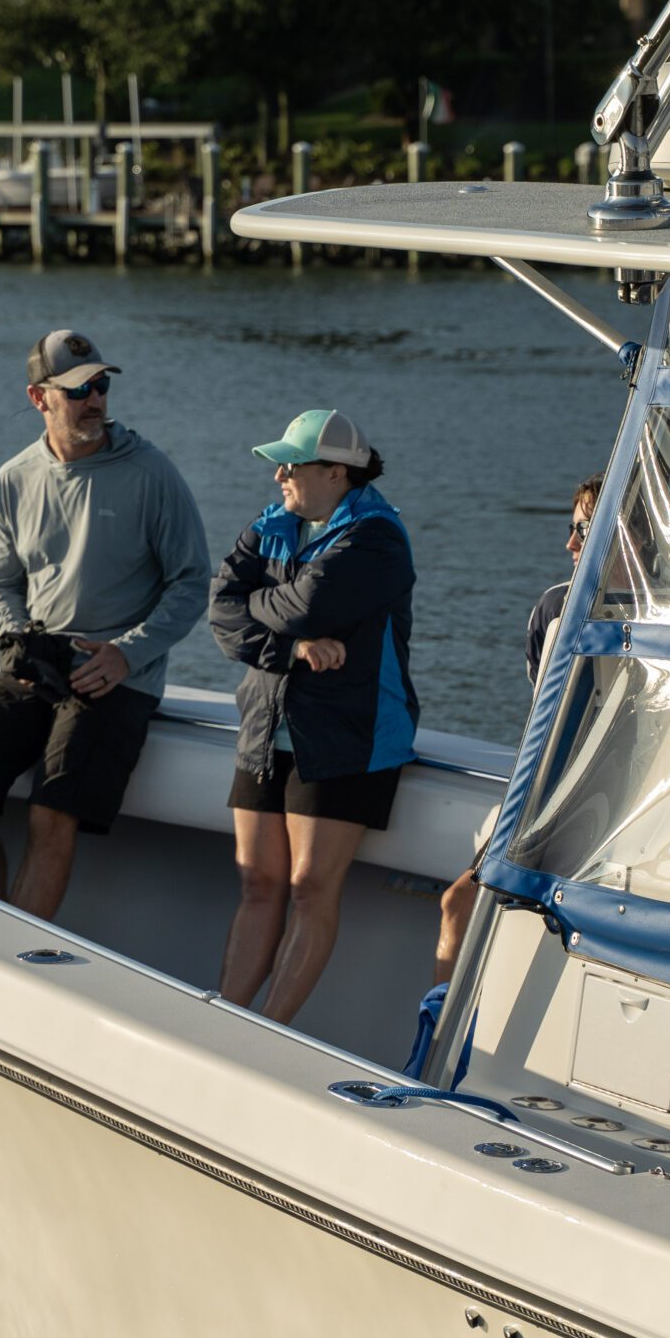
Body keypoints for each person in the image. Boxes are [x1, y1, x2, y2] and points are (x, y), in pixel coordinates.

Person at [0, 329, 210, 920]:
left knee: (51, 814)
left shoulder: (152, 473)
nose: (95, 400)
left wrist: (126, 654)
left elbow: (190, 583)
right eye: (78, 390)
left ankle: (10, 958)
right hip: (35, 665)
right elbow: (0, 583)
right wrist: (14, 638)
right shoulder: (13, 478)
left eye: (101, 385)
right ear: (39, 398)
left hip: (116, 676)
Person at [210, 408, 418, 1024]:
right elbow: (220, 612)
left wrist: (258, 605)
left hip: (347, 736)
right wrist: (294, 648)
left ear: (335, 472)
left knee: (310, 890)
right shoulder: (271, 524)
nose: (279, 476)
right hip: (263, 727)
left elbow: (308, 605)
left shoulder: (377, 538)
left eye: (291, 465)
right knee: (257, 884)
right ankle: (225, 1021)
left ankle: (269, 1032)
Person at [431, 474, 605, 987]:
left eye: (583, 529)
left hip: (597, 807)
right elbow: (540, 711)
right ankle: (438, 1019)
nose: (569, 543)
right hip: (544, 795)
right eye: (571, 528)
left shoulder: (669, 611)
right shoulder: (554, 608)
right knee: (458, 902)